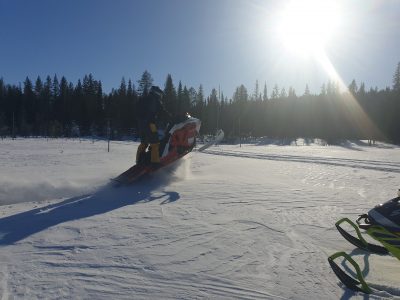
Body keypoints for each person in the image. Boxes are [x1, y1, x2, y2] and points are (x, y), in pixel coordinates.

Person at [136, 86, 170, 165]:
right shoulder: (155, 100)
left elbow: (137, 111)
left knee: (143, 143)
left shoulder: (142, 99)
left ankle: (139, 161)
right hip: (150, 124)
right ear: (157, 93)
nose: (160, 97)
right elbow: (162, 111)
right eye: (160, 95)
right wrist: (170, 117)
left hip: (140, 125)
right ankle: (155, 163)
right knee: (155, 143)